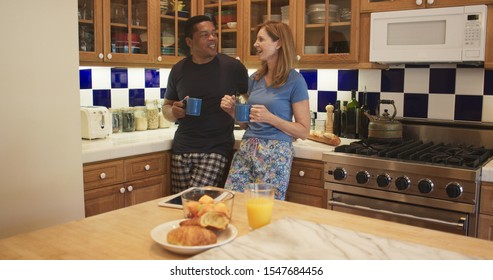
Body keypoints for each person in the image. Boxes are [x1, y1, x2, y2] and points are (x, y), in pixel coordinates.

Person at [220, 21, 310, 200]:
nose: (255, 44)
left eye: (261, 39)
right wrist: (232, 111)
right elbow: (247, 124)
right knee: (232, 201)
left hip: (276, 154)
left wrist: (271, 118)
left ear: (279, 43)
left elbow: (304, 130)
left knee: (265, 210)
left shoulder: (295, 80)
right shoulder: (255, 78)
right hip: (247, 149)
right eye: (256, 39)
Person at [162, 15, 249, 194]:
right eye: (205, 35)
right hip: (182, 147)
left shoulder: (233, 68)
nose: (212, 39)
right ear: (189, 41)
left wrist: (237, 114)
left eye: (214, 34)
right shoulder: (178, 69)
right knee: (181, 205)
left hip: (216, 148)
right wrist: (174, 112)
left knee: (197, 199)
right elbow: (166, 108)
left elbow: (251, 102)